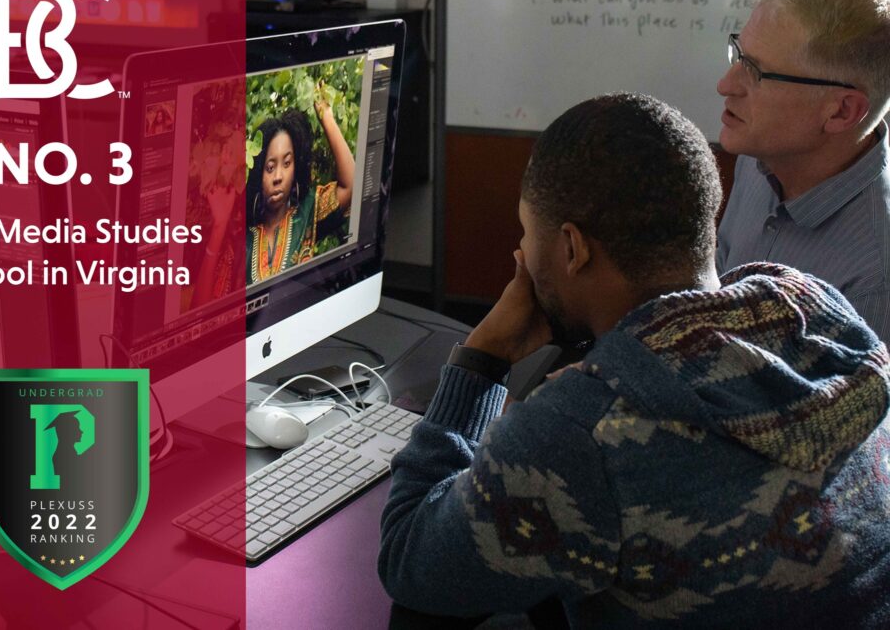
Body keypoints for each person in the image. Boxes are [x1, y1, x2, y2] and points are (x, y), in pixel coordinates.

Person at [379, 94, 890, 628]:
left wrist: (481, 362)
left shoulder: (583, 433)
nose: (524, 254)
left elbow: (410, 563)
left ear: (572, 249)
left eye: (529, 235)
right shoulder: (815, 309)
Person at [716, 0, 890, 341]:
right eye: (739, 56)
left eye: (756, 72)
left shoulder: (874, 280)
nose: (725, 85)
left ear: (842, 111)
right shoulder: (761, 151)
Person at [244, 82, 354, 285]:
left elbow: (351, 186)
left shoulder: (307, 211)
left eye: (286, 163)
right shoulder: (244, 241)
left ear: (296, 168)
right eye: (270, 167)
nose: (278, 176)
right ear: (258, 173)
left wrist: (326, 118)